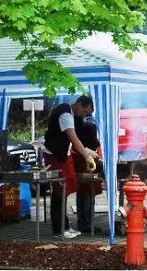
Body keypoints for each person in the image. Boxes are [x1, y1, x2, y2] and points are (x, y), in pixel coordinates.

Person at [43, 95, 97, 239]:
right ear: (79, 104)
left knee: (64, 191)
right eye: (85, 111)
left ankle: (65, 226)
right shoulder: (65, 114)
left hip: (62, 155)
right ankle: (59, 230)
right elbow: (73, 138)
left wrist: (86, 150)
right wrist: (87, 156)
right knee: (59, 192)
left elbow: (72, 142)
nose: (84, 115)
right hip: (55, 157)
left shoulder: (71, 114)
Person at [72, 115, 103, 233]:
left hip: (80, 165)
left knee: (81, 195)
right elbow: (94, 143)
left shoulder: (80, 128)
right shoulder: (88, 129)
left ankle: (83, 222)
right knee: (88, 195)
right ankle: (87, 224)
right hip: (86, 164)